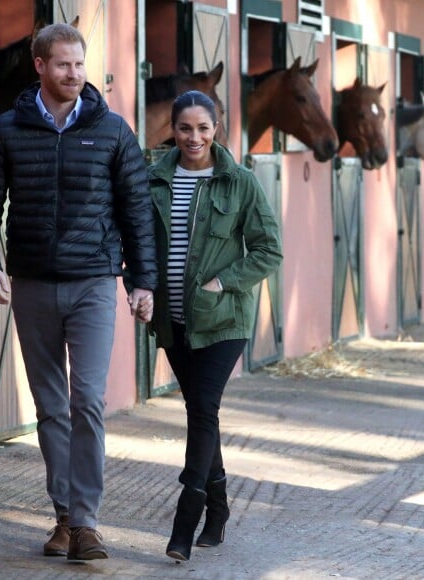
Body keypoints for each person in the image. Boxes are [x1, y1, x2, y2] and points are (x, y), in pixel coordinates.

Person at [0, 23, 157, 562]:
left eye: (80, 65)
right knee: (51, 407)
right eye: (63, 65)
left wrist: (143, 281)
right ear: (40, 66)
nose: (74, 74)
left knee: (87, 401)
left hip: (95, 283)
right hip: (30, 285)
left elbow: (137, 211)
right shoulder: (6, 131)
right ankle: (64, 518)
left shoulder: (113, 130)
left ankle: (88, 524)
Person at [144, 90, 283, 561]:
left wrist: (225, 282)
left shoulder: (239, 182)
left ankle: (187, 517)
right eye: (185, 128)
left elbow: (269, 249)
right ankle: (220, 506)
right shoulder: (154, 179)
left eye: (203, 128)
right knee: (202, 413)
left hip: (224, 321)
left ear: (216, 129)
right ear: (174, 130)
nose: (194, 137)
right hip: (175, 320)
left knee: (203, 408)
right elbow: (141, 241)